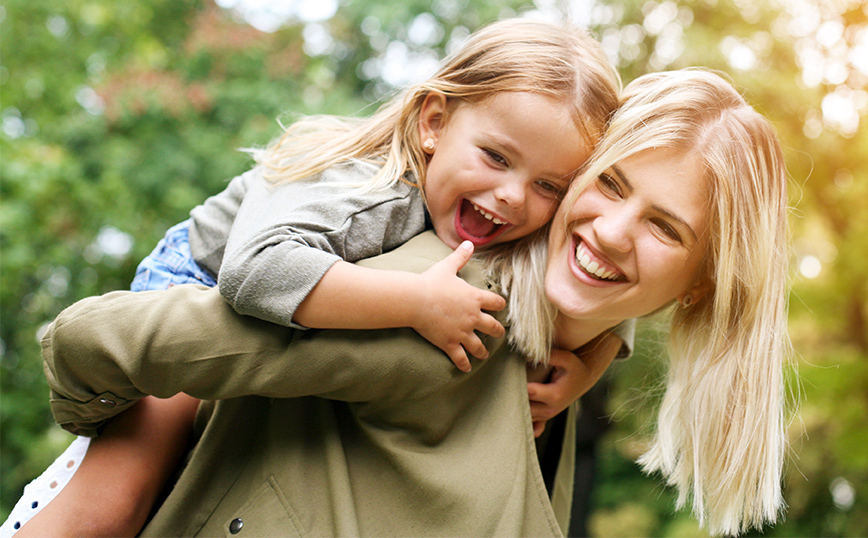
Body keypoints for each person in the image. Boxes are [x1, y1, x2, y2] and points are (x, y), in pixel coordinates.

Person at [30, 68, 791, 537]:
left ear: (700, 285)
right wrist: (100, 410)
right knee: (102, 510)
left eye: (664, 227)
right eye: (612, 186)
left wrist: (595, 356)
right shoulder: (442, 304)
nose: (614, 231)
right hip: (215, 268)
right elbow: (103, 337)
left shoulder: (556, 363)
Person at [2, 17, 627, 538]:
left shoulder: (505, 216)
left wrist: (591, 364)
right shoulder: (365, 192)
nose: (514, 197)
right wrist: (413, 301)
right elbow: (255, 272)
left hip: (290, 290)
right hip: (204, 275)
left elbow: (607, 283)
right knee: (120, 496)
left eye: (550, 186)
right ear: (434, 122)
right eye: (495, 157)